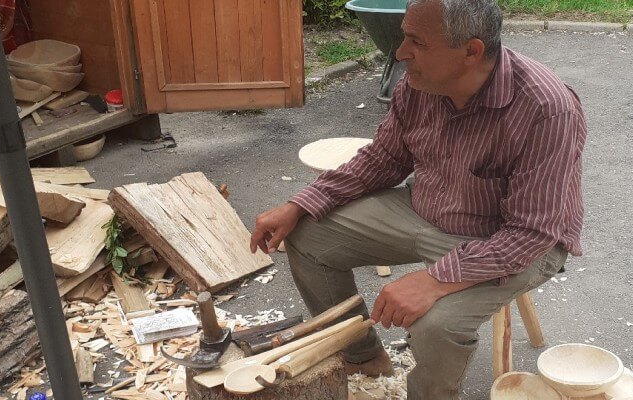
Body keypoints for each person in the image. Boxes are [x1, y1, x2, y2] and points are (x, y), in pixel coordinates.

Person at [250, 0, 587, 398]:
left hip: (515, 241)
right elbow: (383, 159)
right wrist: (300, 204)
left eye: (416, 41)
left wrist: (435, 279)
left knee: (436, 323)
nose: (400, 52)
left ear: (471, 51)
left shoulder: (545, 108)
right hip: (428, 207)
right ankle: (362, 357)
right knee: (307, 235)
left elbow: (530, 233)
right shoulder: (420, 82)